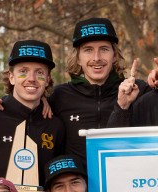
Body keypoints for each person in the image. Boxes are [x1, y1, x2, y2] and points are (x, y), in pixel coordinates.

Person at [49, 18, 149, 162]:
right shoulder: (59, 96)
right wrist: (39, 99)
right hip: (78, 177)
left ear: (114, 56)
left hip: (124, 174)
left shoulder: (139, 90)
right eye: (88, 50)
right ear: (78, 58)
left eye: (104, 49)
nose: (96, 58)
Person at [0, 39, 63, 191]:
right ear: (11, 77)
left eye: (39, 72)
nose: (31, 79)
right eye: (23, 71)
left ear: (48, 79)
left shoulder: (55, 126)